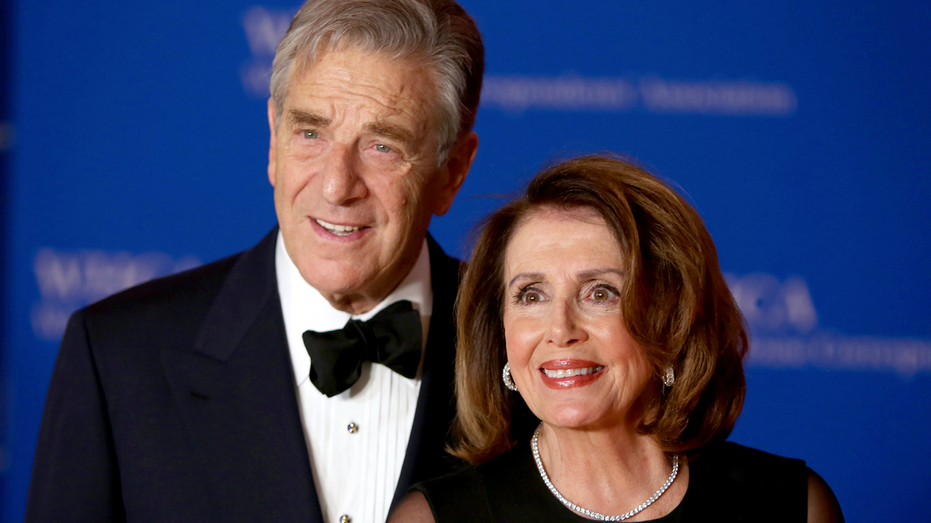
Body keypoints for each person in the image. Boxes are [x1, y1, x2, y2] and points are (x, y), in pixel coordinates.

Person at [26, 1, 482, 522]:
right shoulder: (116, 358)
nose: (336, 186)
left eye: (382, 146)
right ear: (273, 136)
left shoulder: (521, 354)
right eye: (310, 133)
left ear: (452, 171)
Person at [390, 155, 844, 522]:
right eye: (531, 295)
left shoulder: (791, 506)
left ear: (672, 318)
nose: (561, 330)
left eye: (600, 293)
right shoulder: (436, 517)